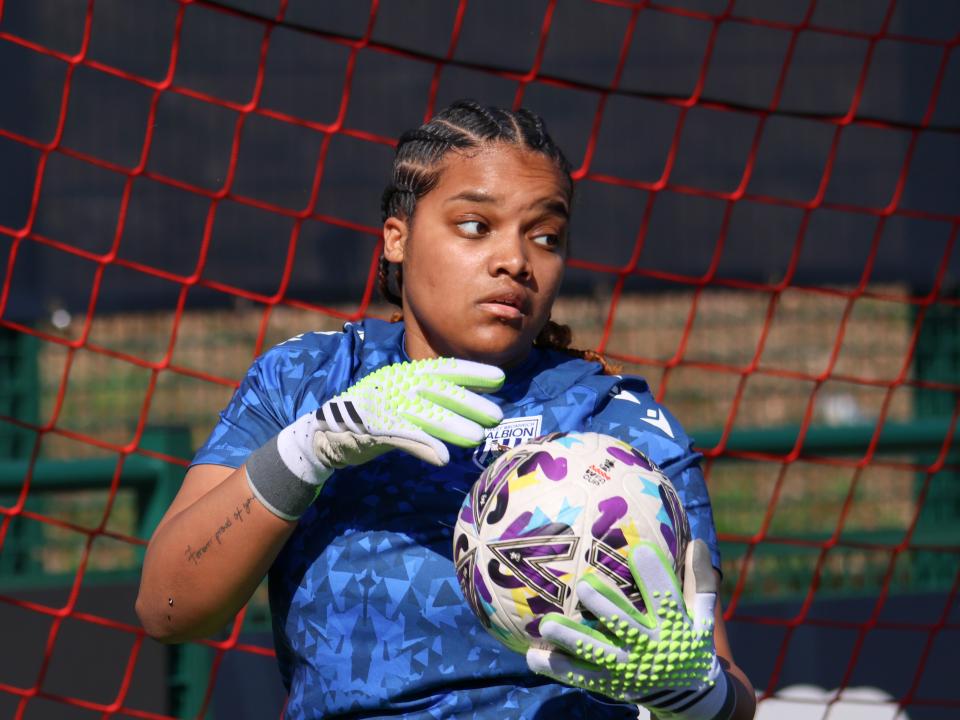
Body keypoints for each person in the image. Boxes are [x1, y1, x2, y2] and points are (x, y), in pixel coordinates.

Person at [136, 100, 756, 720]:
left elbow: (727, 688)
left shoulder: (614, 424)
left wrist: (698, 694)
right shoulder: (307, 381)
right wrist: (310, 449)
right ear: (397, 238)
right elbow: (168, 608)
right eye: (474, 225)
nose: (515, 260)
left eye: (545, 236)